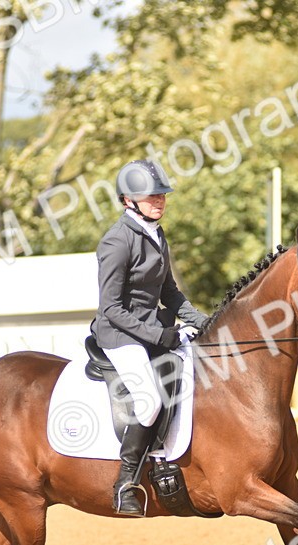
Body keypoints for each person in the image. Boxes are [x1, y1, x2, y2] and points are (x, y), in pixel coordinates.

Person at [91, 158, 209, 516]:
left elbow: (170, 293)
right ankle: (126, 483)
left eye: (162, 194)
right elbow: (111, 308)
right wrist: (159, 335)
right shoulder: (117, 241)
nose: (159, 200)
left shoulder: (157, 234)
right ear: (128, 200)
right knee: (149, 401)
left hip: (150, 329)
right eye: (151, 195)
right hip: (119, 335)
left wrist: (206, 322)